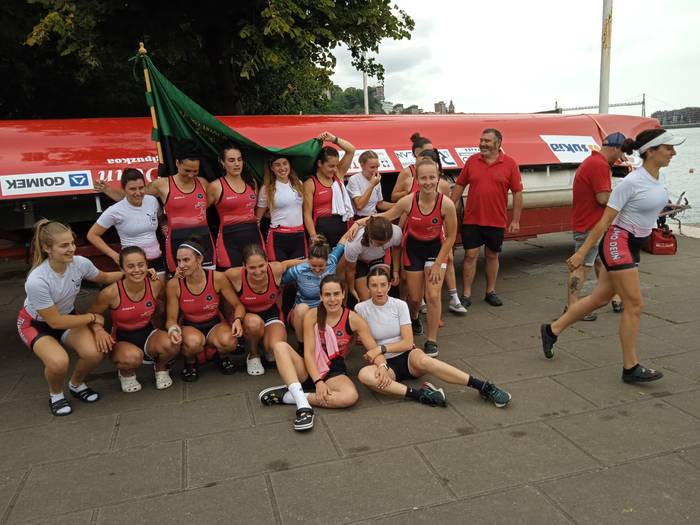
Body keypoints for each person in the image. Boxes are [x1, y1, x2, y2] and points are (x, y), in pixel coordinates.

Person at [540, 128, 686, 383]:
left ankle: (552, 330)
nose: (673, 152)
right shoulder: (632, 182)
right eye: (668, 148)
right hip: (618, 240)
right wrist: (582, 253)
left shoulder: (658, 178)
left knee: (599, 298)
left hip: (633, 242)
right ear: (650, 152)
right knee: (635, 304)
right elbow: (605, 220)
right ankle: (630, 368)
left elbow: (645, 206)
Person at [356, 268, 511, 407]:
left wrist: (382, 348)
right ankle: (423, 394)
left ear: (389, 286)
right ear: (368, 287)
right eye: (374, 285)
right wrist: (382, 366)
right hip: (384, 364)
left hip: (408, 357)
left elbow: (408, 343)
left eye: (383, 285)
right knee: (365, 375)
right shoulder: (361, 309)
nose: (379, 290)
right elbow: (371, 349)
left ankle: (484, 387)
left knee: (425, 360)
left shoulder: (399, 305)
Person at [17, 219, 123, 416]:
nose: (71, 249)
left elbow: (105, 277)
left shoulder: (80, 263)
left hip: (67, 318)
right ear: (47, 247)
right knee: (58, 362)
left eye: (72, 243)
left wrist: (132, 273)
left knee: (94, 354)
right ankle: (56, 395)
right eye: (64, 245)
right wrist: (92, 318)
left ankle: (76, 384)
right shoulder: (37, 280)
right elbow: (55, 322)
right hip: (36, 325)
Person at [358, 157, 458, 358]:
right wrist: (358, 223)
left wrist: (439, 263)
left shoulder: (446, 204)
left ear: (438, 179)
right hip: (413, 249)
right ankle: (414, 316)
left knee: (432, 295)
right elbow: (385, 216)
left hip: (436, 250)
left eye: (432, 177)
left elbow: (452, 236)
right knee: (414, 298)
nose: (428, 182)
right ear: (417, 180)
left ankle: (431, 340)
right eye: (423, 178)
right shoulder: (408, 201)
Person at [256, 276, 383, 432]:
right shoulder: (312, 315)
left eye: (336, 294)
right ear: (321, 296)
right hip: (309, 367)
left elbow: (373, 348)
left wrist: (382, 366)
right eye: (327, 295)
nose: (332, 299)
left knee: (350, 397)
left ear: (343, 294)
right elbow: (308, 353)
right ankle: (303, 408)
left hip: (334, 370)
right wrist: (318, 382)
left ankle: (290, 396)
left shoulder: (354, 319)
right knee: (280, 347)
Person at [96, 140, 216, 273]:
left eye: (195, 171)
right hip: (177, 239)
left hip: (203, 238)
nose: (191, 175)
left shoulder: (203, 183)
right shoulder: (162, 185)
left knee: (208, 278)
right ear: (177, 163)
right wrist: (107, 190)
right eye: (187, 170)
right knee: (180, 282)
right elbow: (133, 196)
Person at [88, 246, 180, 392]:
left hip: (147, 332)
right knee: (131, 358)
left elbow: (163, 306)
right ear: (122, 269)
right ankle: (126, 374)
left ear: (147, 265)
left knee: (173, 343)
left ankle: (161, 367)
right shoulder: (110, 292)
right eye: (130, 266)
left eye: (141, 265)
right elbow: (93, 315)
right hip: (122, 337)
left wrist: (170, 327)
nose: (137, 270)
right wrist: (98, 329)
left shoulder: (155, 284)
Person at [450, 128, 524, 308]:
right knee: (470, 255)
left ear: (498, 143)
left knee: (492, 256)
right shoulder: (472, 161)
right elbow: (459, 186)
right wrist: (447, 209)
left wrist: (515, 220)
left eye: (487, 141)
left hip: (496, 220)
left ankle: (490, 291)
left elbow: (517, 193)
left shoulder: (510, 164)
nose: (482, 144)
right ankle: (466, 294)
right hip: (472, 219)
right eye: (481, 140)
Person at [166, 240, 245, 382]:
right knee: (193, 343)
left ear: (200, 259)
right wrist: (173, 329)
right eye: (178, 261)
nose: (181, 265)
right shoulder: (174, 284)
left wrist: (238, 320)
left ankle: (220, 357)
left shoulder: (217, 278)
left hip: (214, 323)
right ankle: (190, 362)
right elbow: (171, 319)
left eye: (186, 260)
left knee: (230, 342)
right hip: (190, 325)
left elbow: (238, 305)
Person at [568, 132, 627, 320]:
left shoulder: (593, 162)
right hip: (590, 226)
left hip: (591, 223)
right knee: (582, 266)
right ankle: (572, 307)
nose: (622, 155)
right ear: (616, 148)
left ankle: (615, 297)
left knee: (603, 262)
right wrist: (624, 198)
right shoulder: (599, 165)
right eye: (622, 151)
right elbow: (602, 198)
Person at [224, 245, 303, 375]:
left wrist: (312, 262)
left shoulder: (275, 269)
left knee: (275, 349)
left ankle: (265, 343)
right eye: (252, 267)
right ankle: (253, 354)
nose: (258, 271)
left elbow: (287, 263)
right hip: (249, 316)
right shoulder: (235, 275)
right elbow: (213, 278)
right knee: (254, 323)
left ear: (267, 261)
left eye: (261, 265)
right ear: (244, 265)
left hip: (271, 312)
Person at [282, 226, 358, 353]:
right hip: (301, 314)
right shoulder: (300, 269)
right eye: (313, 266)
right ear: (308, 261)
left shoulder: (332, 261)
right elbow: (278, 280)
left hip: (325, 311)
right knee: (302, 309)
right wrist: (290, 263)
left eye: (321, 266)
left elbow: (344, 239)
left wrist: (357, 224)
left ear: (327, 260)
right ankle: (302, 346)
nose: (317, 270)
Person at [88, 168, 166, 276]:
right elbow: (92, 235)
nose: (138, 193)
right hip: (133, 265)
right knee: (139, 293)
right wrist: (115, 255)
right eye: (132, 189)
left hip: (157, 259)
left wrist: (164, 225)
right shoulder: (115, 210)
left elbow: (160, 218)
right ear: (124, 189)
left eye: (141, 188)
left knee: (159, 291)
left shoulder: (152, 201)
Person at [207, 144, 264, 270]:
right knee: (233, 279)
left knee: (258, 276)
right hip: (228, 241)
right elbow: (197, 211)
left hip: (254, 236)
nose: (237, 164)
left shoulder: (252, 182)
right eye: (231, 160)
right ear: (222, 162)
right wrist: (165, 221)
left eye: (239, 159)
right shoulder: (215, 187)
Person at [303, 132, 355, 250]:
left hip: (342, 230)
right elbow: (307, 213)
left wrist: (333, 139)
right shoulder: (310, 183)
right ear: (320, 163)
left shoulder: (338, 175)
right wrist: (313, 236)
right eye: (331, 166)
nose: (335, 169)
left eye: (336, 165)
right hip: (321, 233)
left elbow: (351, 150)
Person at [256, 155, 307, 261]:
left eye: (285, 163)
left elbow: (302, 211)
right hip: (277, 238)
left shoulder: (299, 184)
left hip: (299, 236)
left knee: (299, 273)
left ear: (290, 165)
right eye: (277, 165)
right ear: (272, 168)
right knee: (278, 275)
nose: (282, 168)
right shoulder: (266, 189)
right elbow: (258, 219)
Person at [344, 216, 402, 302]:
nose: (383, 246)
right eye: (379, 244)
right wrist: (352, 289)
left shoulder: (396, 232)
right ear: (370, 237)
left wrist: (396, 270)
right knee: (365, 298)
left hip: (380, 257)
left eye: (387, 242)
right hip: (360, 261)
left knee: (381, 293)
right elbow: (350, 270)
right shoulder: (354, 243)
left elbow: (397, 249)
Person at [346, 150, 393, 218]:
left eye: (377, 167)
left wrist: (399, 205)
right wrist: (372, 185)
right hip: (358, 218)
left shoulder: (376, 180)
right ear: (362, 165)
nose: (375, 171)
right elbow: (359, 206)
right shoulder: (354, 179)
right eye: (372, 167)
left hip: (373, 217)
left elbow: (379, 204)